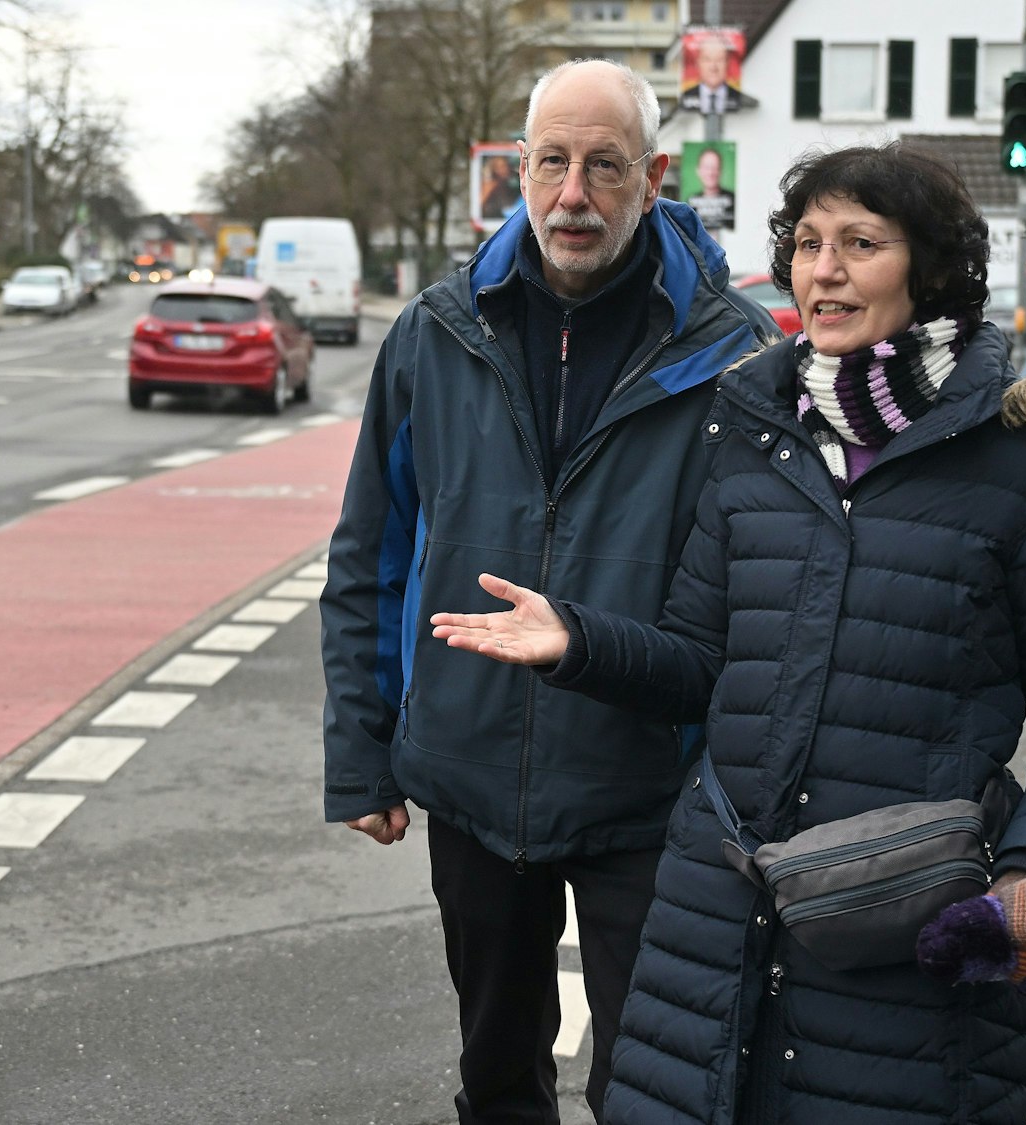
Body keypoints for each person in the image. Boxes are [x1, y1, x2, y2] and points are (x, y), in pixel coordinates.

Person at [429, 142, 1026, 1124]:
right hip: (710, 925)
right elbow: (701, 662)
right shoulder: (750, 431)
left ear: (929, 268)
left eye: (859, 242)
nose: (823, 268)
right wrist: (580, 642)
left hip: (907, 928)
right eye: (806, 242)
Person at [320, 58, 777, 1125]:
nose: (573, 195)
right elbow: (367, 552)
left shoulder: (733, 357)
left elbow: (765, 602)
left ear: (654, 176)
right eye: (552, 163)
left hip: (647, 796)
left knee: (649, 1088)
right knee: (493, 1081)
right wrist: (360, 749)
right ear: (515, 170)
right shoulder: (435, 334)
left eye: (604, 167)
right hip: (472, 780)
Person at [679, 35, 743, 115]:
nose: (713, 67)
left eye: (720, 60)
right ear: (697, 63)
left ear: (728, 63)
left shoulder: (737, 96)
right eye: (707, 60)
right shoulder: (687, 96)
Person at [684, 146, 735, 230]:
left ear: (721, 170)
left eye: (715, 168)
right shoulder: (690, 203)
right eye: (707, 168)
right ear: (698, 170)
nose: (710, 173)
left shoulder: (733, 200)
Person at [481, 154, 521, 219]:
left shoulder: (511, 185)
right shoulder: (490, 185)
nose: (505, 169)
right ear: (494, 170)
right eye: (501, 167)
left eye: (506, 166)